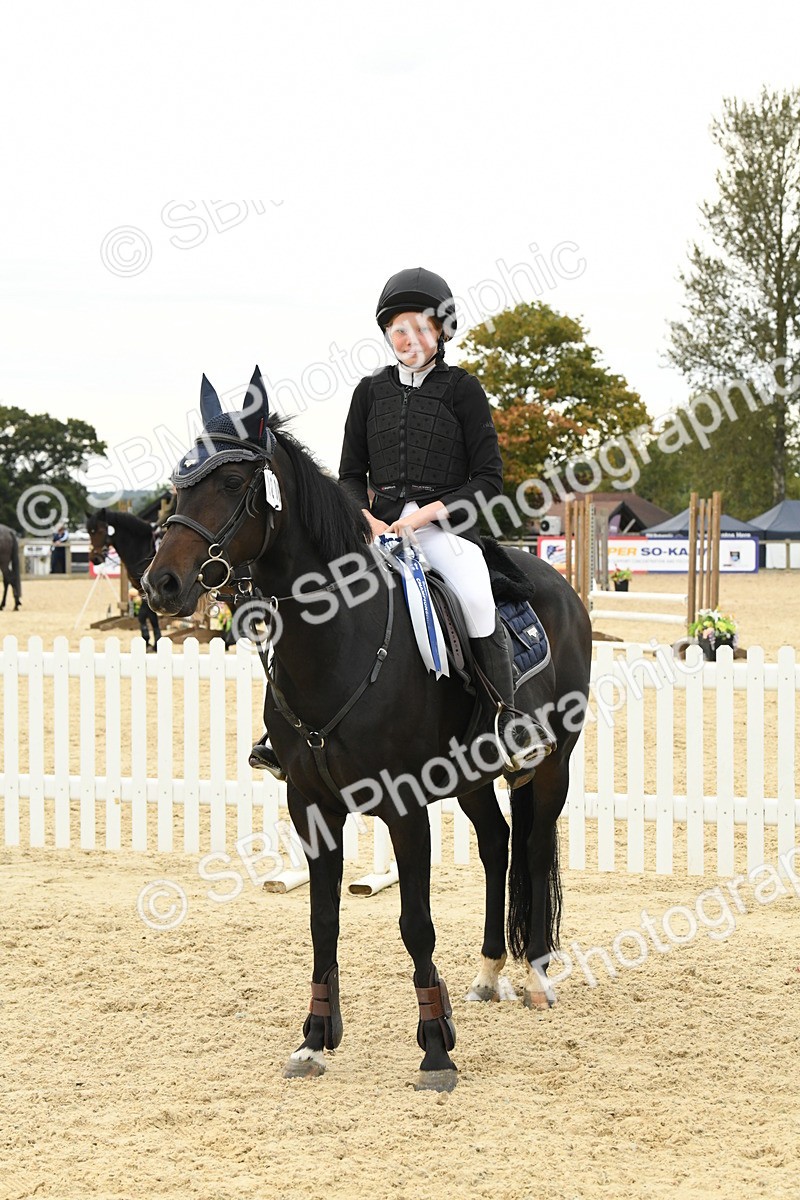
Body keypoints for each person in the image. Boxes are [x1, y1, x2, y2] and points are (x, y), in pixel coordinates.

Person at [250, 267, 553, 779]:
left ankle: (506, 719)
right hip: (375, 532)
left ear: (442, 333)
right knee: (316, 602)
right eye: (399, 329)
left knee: (477, 595)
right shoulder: (369, 394)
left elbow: (488, 479)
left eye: (421, 327)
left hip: (443, 533)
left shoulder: (463, 390)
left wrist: (431, 512)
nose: (409, 339)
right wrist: (363, 517)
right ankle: (285, 729)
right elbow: (349, 475)